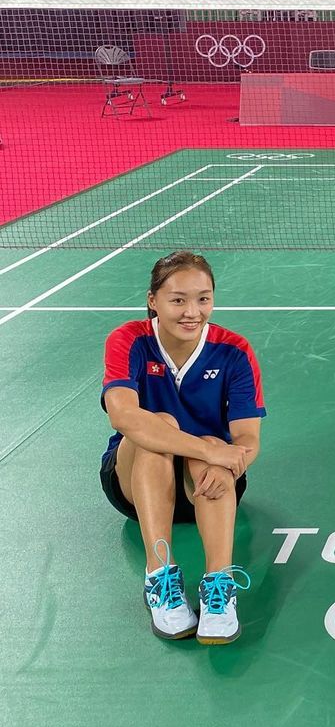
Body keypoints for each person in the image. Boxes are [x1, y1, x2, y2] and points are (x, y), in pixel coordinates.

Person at [100, 251, 265, 644]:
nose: (193, 311)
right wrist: (212, 450)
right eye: (178, 300)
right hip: (133, 484)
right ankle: (159, 576)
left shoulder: (234, 351)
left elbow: (247, 439)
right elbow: (123, 417)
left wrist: (229, 458)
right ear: (153, 300)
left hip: (206, 488)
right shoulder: (128, 340)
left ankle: (219, 587)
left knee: (211, 444)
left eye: (203, 298)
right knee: (163, 426)